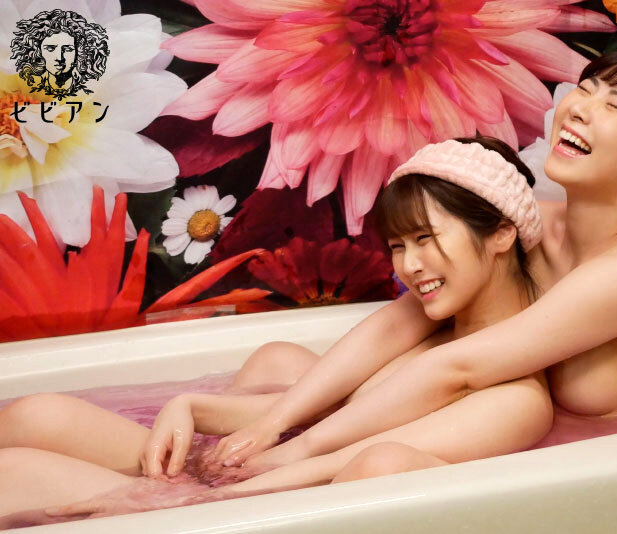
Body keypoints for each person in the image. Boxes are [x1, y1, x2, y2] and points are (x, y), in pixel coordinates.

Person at [180, 44, 617, 483]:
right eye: (587, 89)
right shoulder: (530, 221)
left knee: (367, 460)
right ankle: (192, 474)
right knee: (274, 363)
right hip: (486, 429)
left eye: (614, 107)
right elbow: (401, 322)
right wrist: (274, 423)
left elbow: (460, 365)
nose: (580, 108)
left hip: (575, 474)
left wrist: (293, 448)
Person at [0, 136, 553, 522]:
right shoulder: (423, 326)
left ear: (502, 235)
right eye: (398, 246)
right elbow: (308, 415)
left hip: (261, 508)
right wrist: (191, 407)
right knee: (35, 414)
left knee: (13, 475)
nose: (408, 265)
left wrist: (166, 502)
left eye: (426, 239)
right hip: (237, 477)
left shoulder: (517, 399)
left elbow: (341, 466)